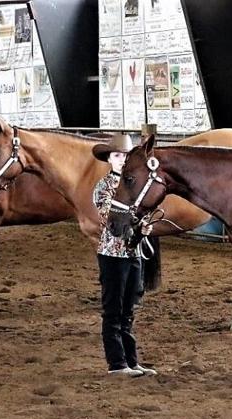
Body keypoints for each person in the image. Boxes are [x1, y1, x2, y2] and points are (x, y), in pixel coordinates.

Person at [90, 133, 157, 377]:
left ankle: (131, 360)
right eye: (117, 155)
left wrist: (143, 228)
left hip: (133, 252)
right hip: (112, 253)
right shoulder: (104, 187)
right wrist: (138, 225)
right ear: (109, 159)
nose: (121, 159)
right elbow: (111, 219)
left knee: (128, 309)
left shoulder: (135, 185)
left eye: (125, 156)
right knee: (113, 309)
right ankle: (117, 363)